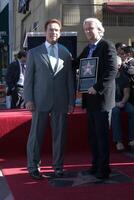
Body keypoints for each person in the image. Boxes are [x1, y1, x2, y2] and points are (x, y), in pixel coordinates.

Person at [24, 19, 75, 180]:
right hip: (39, 101)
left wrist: (71, 102)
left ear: (60, 33)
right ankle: (33, 167)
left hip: (61, 101)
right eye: (51, 30)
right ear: (45, 32)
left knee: (60, 136)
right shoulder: (34, 52)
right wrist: (29, 99)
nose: (54, 32)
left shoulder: (66, 53)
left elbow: (69, 80)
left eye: (56, 30)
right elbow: (28, 80)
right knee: (36, 136)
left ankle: (58, 167)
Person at [75, 18, 117, 180]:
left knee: (102, 136)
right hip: (89, 99)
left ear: (100, 29)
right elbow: (75, 64)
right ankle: (95, 166)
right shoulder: (87, 49)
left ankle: (104, 169)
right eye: (85, 29)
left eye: (91, 28)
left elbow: (112, 71)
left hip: (102, 99)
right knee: (93, 136)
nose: (88, 31)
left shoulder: (107, 45)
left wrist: (97, 87)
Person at [111, 59, 134, 151]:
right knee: (115, 112)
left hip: (122, 101)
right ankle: (118, 141)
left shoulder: (124, 78)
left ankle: (132, 139)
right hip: (111, 102)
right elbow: (106, 95)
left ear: (119, 66)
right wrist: (115, 104)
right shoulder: (107, 78)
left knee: (132, 110)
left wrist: (123, 102)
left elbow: (127, 93)